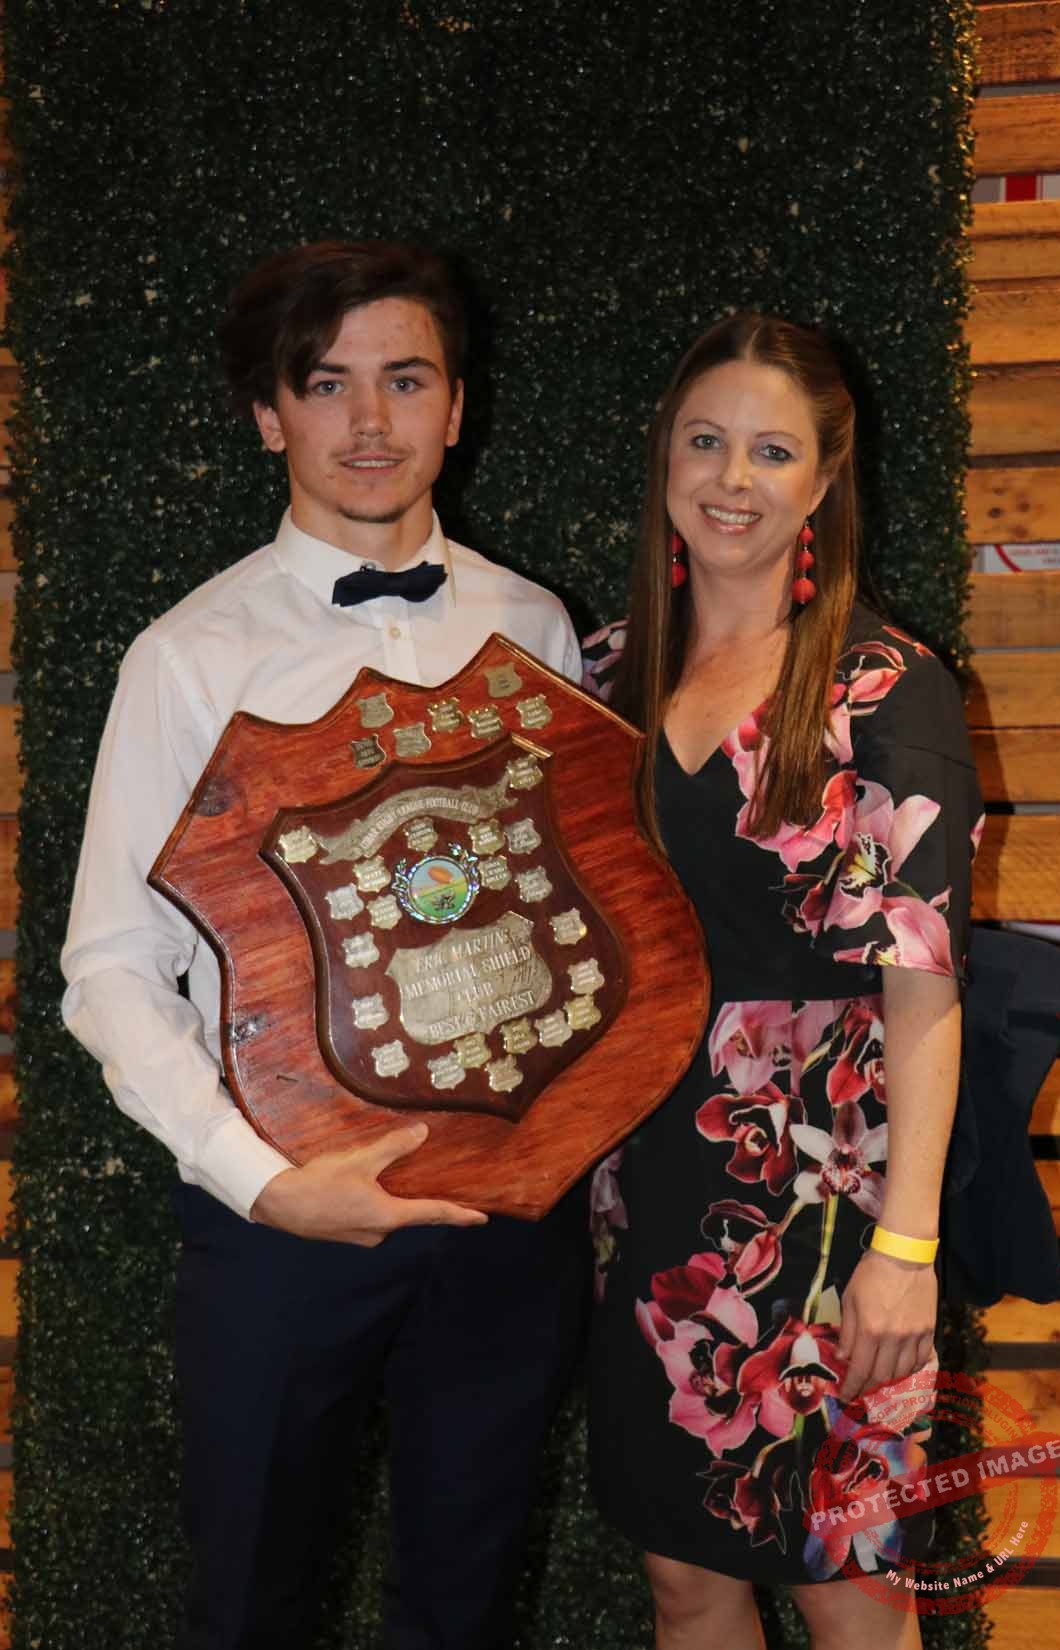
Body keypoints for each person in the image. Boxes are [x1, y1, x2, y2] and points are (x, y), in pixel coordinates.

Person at [61, 239, 589, 1650]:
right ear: (268, 414)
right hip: (281, 1218)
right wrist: (263, 1181)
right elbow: (109, 965)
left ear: (456, 406)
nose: (369, 422)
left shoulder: (536, 627)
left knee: (465, 1607)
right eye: (326, 383)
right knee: (253, 1607)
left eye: (405, 380)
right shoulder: (189, 655)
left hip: (504, 1217)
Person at [583, 312, 983, 1650]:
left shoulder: (886, 688)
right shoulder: (600, 678)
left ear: (823, 481)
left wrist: (906, 1253)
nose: (731, 479)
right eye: (706, 441)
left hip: (830, 1198)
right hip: (645, 1189)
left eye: (771, 451)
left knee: (846, 1587)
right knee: (683, 1583)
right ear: (665, 457)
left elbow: (924, 990)